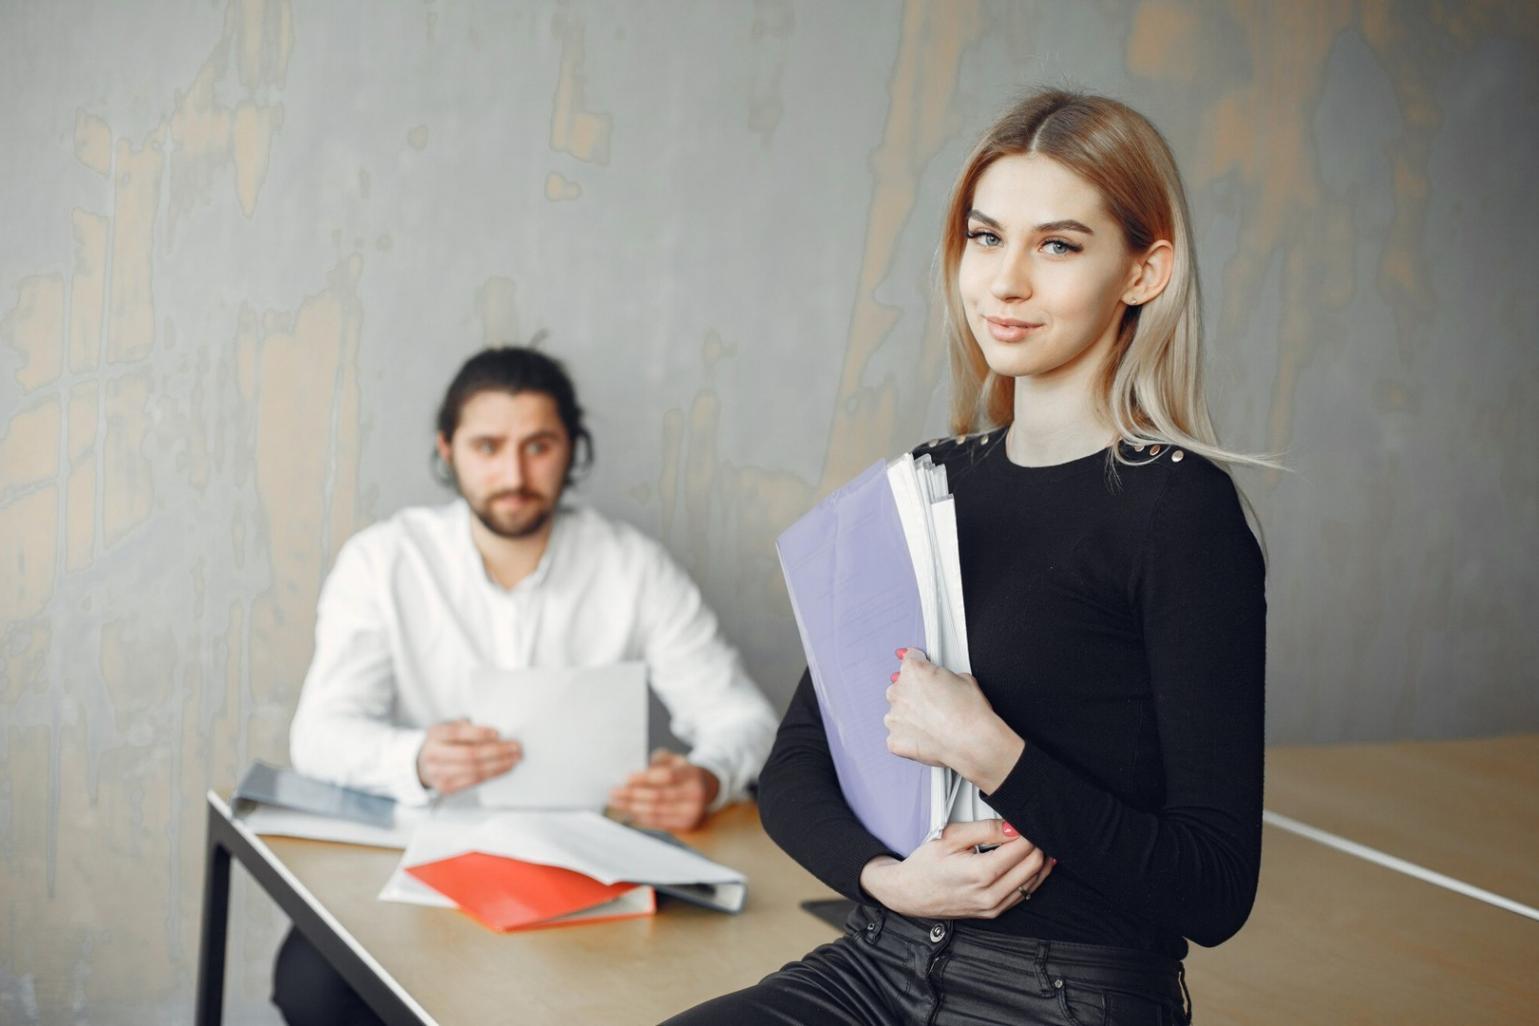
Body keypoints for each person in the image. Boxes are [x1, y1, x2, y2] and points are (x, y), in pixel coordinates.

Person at [665, 89, 1270, 1026]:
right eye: (986, 238)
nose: (1005, 282)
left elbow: (1214, 889)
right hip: (877, 960)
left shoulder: (1178, 511)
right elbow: (791, 767)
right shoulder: (923, 487)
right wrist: (887, 881)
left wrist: (994, 754)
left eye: (1058, 246)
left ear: (1143, 272)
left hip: (1067, 995)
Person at [272, 344, 779, 1026]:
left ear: (572, 450)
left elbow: (743, 720)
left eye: (538, 446)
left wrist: (707, 778)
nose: (513, 474)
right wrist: (416, 758)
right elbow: (319, 736)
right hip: (429, 854)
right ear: (447, 450)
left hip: (591, 864)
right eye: (487, 446)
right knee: (315, 986)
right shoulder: (383, 561)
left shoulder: (632, 567)